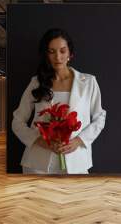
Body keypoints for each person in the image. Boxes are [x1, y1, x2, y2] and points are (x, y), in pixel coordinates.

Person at [12, 28, 106, 175]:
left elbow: (100, 118)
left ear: (70, 53)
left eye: (62, 51)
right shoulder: (36, 83)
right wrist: (41, 141)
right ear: (46, 55)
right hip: (38, 163)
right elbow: (17, 121)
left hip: (76, 162)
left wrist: (78, 141)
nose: (58, 57)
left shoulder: (88, 82)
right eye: (51, 51)